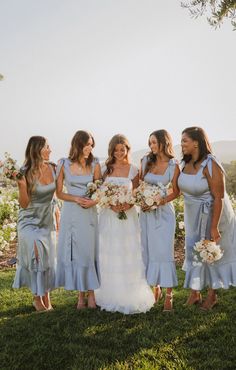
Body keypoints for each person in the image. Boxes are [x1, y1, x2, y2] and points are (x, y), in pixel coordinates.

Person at [95, 134, 155, 314]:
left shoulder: (134, 169)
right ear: (111, 150)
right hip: (108, 214)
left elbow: (137, 193)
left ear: (127, 150)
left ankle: (129, 294)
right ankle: (109, 293)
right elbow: (97, 191)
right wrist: (110, 204)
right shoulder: (104, 168)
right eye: (116, 149)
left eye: (123, 149)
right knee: (110, 250)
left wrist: (127, 204)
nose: (120, 152)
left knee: (128, 250)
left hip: (128, 215)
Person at [178, 126, 236, 310]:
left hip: (213, 214)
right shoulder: (184, 164)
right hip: (192, 215)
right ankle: (195, 293)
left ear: (196, 142)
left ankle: (212, 295)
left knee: (210, 252)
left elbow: (218, 197)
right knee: (193, 250)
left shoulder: (211, 164)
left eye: (185, 141)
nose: (182, 144)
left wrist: (214, 227)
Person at [55, 130, 101, 309]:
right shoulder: (63, 163)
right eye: (86, 144)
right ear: (77, 144)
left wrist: (93, 202)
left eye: (91, 144)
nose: (89, 148)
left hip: (89, 212)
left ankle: (92, 294)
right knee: (76, 252)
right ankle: (80, 296)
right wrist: (75, 198)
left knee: (88, 251)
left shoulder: (95, 163)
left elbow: (99, 190)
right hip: (71, 213)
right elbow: (59, 193)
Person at [13, 136, 57, 311]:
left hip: (48, 218)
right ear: (37, 149)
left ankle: (46, 295)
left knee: (47, 257)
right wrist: (22, 186)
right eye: (47, 147)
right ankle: (37, 297)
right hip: (29, 219)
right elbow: (23, 204)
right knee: (36, 252)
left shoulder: (54, 168)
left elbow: (54, 194)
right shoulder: (24, 172)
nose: (50, 150)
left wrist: (57, 213)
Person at [140, 130, 180, 312]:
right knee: (148, 251)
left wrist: (158, 201)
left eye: (154, 142)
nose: (152, 146)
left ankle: (169, 295)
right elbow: (139, 185)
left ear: (164, 142)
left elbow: (176, 191)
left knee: (164, 252)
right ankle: (155, 289)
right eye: (150, 143)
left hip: (164, 214)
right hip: (146, 214)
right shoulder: (145, 161)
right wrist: (143, 200)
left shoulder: (173, 164)